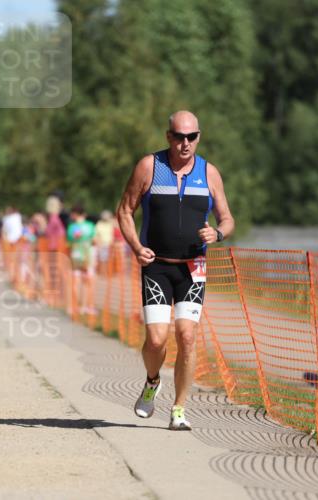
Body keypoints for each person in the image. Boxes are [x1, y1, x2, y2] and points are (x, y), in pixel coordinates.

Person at [117, 110, 234, 430]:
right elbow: (125, 210)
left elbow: (227, 218)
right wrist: (137, 248)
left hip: (193, 268)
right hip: (157, 267)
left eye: (192, 137)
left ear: (199, 137)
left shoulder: (210, 173)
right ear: (168, 136)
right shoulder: (149, 167)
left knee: (187, 335)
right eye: (179, 136)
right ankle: (152, 381)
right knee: (156, 340)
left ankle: (179, 409)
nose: (185, 143)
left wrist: (218, 233)